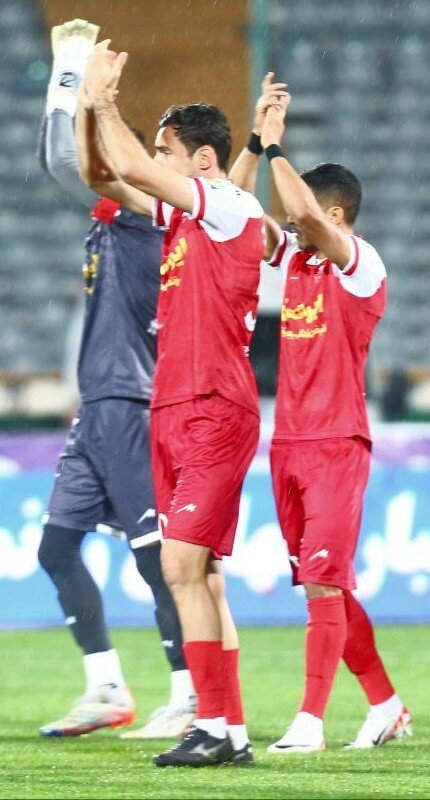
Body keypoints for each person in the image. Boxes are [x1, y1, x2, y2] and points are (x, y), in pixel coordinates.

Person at [79, 41, 263, 767]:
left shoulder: (227, 205)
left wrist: (104, 102)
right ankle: (228, 731)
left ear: (203, 161)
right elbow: (103, 173)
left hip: (214, 406)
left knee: (181, 568)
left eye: (168, 151)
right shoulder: (187, 218)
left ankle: (212, 724)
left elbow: (127, 165)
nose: (157, 160)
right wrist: (82, 105)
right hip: (174, 407)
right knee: (201, 574)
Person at [224, 78, 412, 753]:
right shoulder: (297, 260)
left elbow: (297, 207)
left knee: (325, 585)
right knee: (320, 585)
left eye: (306, 211)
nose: (294, 218)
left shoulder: (361, 266)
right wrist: (256, 139)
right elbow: (239, 211)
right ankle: (386, 704)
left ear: (334, 212)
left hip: (337, 441)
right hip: (290, 443)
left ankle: (309, 721)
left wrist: (280, 147)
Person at [35, 17, 193, 741]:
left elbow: (66, 163)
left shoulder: (157, 214)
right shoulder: (117, 215)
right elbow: (65, 158)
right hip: (99, 405)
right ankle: (106, 688)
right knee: (56, 548)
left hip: (134, 400)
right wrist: (69, 82)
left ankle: (189, 693)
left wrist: (70, 69)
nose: (147, 160)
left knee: (155, 560)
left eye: (161, 153)